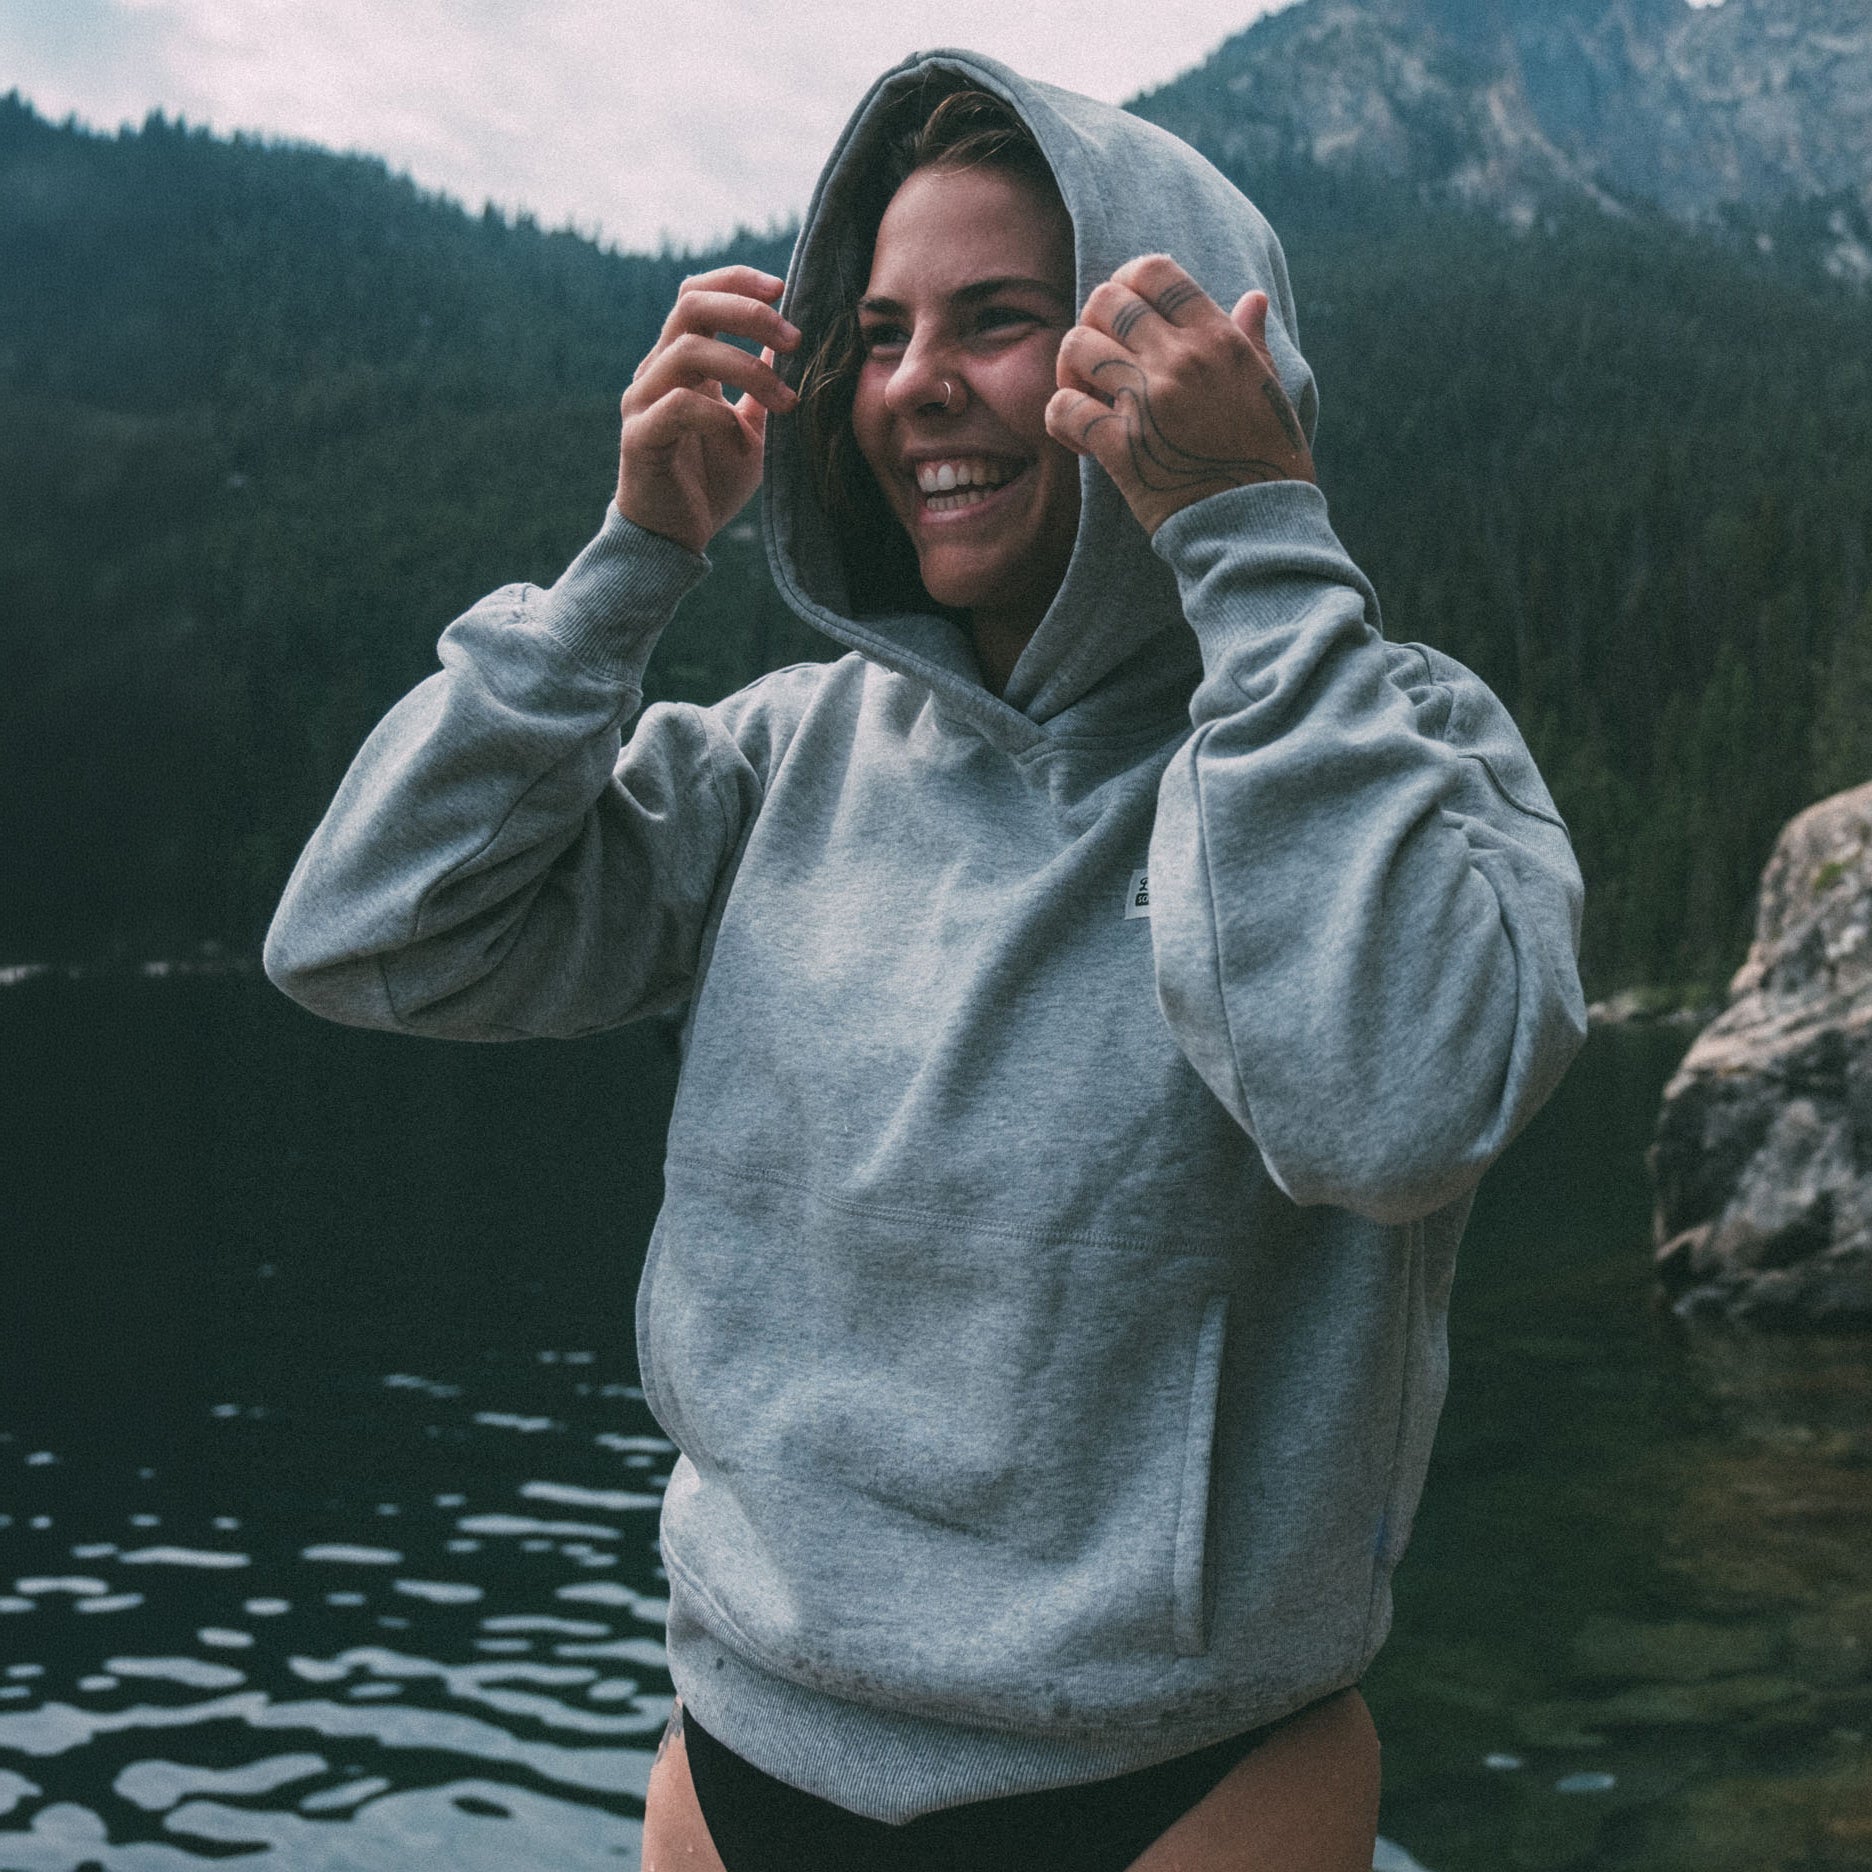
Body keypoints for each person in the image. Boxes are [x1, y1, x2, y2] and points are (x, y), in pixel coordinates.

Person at [264, 49, 1587, 1872]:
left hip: (1179, 1783)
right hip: (738, 1761)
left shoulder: (1390, 746)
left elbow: (1393, 1111)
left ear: (1181, 352)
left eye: (999, 320)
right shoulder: (782, 755)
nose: (912, 387)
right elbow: (370, 931)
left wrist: (1255, 543)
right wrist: (633, 560)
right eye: (878, 334)